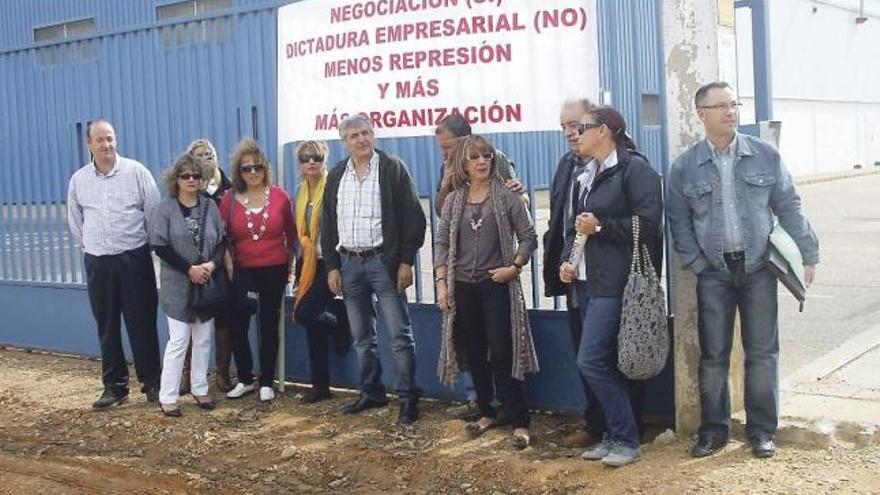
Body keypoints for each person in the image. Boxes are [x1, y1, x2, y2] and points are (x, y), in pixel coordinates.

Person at [666, 81, 819, 459]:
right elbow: (678, 221)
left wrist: (808, 254)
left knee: (763, 352)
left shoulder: (765, 155)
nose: (730, 111)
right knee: (713, 354)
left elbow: (789, 206)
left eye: (733, 104)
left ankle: (763, 430)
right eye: (720, 106)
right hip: (714, 273)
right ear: (701, 114)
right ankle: (713, 430)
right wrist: (698, 264)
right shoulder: (685, 167)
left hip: (758, 270)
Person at [559, 107, 663, 466]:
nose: (575, 134)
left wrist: (601, 227)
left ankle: (626, 438)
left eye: (582, 128)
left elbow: (648, 225)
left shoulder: (635, 170)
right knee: (606, 362)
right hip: (589, 281)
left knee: (590, 360)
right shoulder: (587, 173)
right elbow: (579, 227)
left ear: (603, 131)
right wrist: (569, 262)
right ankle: (614, 435)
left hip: (617, 283)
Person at [434, 135, 539, 449]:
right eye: (475, 157)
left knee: (504, 351)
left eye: (487, 156)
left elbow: (529, 236)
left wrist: (515, 266)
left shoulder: (506, 196)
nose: (482, 162)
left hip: (496, 285)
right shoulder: (455, 199)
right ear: (463, 164)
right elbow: (441, 243)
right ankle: (486, 411)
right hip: (463, 286)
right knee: (474, 351)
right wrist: (441, 283)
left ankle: (519, 420)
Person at [320, 114, 426, 425]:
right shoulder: (338, 174)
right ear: (344, 142)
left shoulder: (392, 168)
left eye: (366, 133)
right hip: (350, 264)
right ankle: (372, 391)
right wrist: (332, 266)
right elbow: (328, 222)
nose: (362, 139)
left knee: (399, 335)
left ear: (374, 135)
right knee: (362, 337)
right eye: (354, 135)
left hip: (385, 263)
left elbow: (413, 218)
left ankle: (408, 399)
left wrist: (405, 260)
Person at [67, 119, 162, 410]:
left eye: (110, 138)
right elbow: (76, 222)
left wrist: (141, 250)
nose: (106, 145)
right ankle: (114, 387)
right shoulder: (79, 180)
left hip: (134, 258)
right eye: (100, 140)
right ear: (89, 144)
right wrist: (95, 247)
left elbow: (154, 215)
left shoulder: (136, 172)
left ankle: (153, 384)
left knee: (142, 323)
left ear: (116, 140)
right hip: (99, 262)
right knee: (106, 325)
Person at [542, 97, 606, 448]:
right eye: (564, 125)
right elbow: (560, 223)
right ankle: (596, 427)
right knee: (583, 353)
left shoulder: (616, 163)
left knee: (604, 356)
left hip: (604, 279)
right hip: (573, 278)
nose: (569, 132)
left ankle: (622, 427)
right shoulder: (566, 165)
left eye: (575, 124)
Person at [220, 138, 296, 403]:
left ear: (266, 169)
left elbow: (291, 234)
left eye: (257, 167)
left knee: (268, 324)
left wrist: (289, 264)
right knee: (238, 324)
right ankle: (244, 379)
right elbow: (222, 237)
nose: (252, 172)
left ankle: (266, 381)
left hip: (274, 269)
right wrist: (229, 266)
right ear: (238, 173)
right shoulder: (228, 199)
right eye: (246, 168)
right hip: (243, 270)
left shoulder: (280, 196)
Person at [150, 154, 225, 416]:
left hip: (206, 281)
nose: (191, 180)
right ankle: (168, 395)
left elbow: (221, 242)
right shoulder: (164, 209)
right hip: (177, 284)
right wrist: (188, 269)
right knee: (179, 340)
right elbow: (159, 245)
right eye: (185, 175)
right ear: (176, 179)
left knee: (204, 339)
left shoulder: (210, 207)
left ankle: (200, 388)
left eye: (196, 175)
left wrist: (212, 266)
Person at [171, 139, 234, 394]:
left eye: (211, 153)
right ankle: (187, 376)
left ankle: (222, 374)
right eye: (200, 155)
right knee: (189, 320)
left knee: (224, 321)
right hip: (191, 267)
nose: (207, 157)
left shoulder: (232, 187)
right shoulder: (187, 190)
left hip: (223, 262)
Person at [290, 140, 350, 404]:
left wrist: (335, 265)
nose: (311, 162)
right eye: (305, 158)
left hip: (332, 262)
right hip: (311, 264)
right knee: (312, 324)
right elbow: (302, 237)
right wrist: (299, 271)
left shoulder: (334, 188)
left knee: (305, 312)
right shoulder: (300, 192)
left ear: (325, 159)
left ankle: (339, 321)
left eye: (316, 157)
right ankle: (320, 385)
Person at [434, 114, 524, 213]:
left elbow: (522, 201)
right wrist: (445, 186)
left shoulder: (494, 159)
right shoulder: (447, 168)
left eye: (448, 147)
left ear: (465, 141)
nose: (443, 153)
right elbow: (440, 212)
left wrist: (519, 195)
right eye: (441, 147)